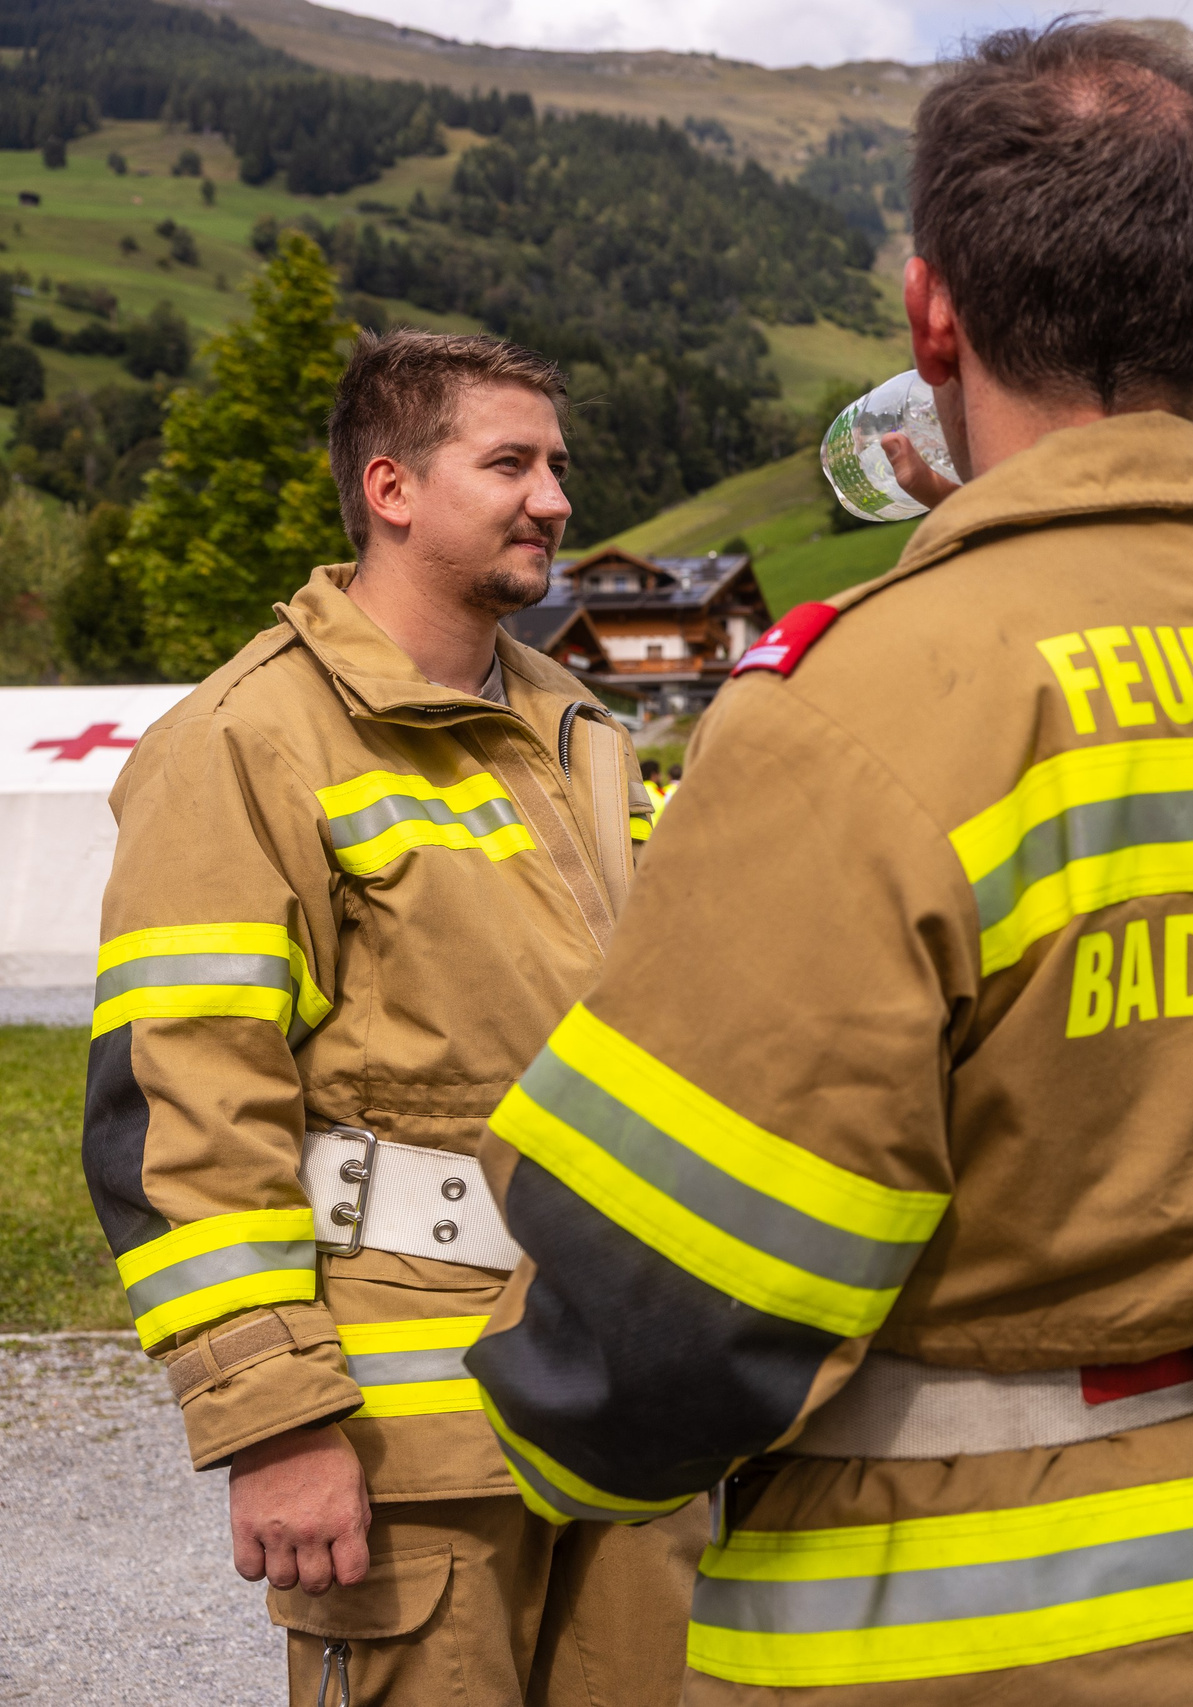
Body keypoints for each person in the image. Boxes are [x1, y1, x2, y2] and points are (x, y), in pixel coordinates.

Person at [461, 25, 1193, 1702]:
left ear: (933, 315)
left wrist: (561, 1452)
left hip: (943, 1638)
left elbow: (670, 1310)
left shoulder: (859, 707)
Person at [82, 332, 690, 1703]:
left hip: (619, 1390)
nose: (555, 498)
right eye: (513, 463)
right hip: (409, 1431)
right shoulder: (244, 743)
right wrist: (275, 1422)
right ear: (393, 488)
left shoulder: (579, 724)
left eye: (559, 465)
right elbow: (179, 1112)